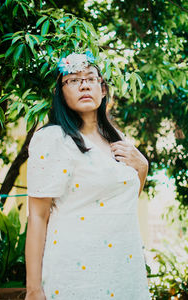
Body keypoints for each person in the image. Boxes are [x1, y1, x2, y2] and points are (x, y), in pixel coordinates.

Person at [25, 51, 151, 300]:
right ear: (60, 93)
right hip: (76, 273)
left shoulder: (117, 139)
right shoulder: (52, 139)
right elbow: (38, 216)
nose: (84, 84)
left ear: (102, 89)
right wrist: (33, 289)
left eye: (90, 78)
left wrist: (143, 167)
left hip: (124, 269)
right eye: (73, 80)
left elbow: (122, 204)